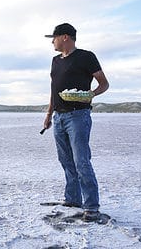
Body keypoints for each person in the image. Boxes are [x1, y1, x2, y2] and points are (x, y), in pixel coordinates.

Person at [43, 23, 109, 222]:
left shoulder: (86, 57)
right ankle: (73, 199)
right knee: (66, 161)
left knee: (81, 162)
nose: (52, 42)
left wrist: (90, 95)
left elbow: (104, 84)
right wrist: (48, 114)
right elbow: (54, 90)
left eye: (53, 38)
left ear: (65, 37)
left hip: (78, 116)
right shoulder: (55, 61)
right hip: (59, 117)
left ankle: (92, 207)